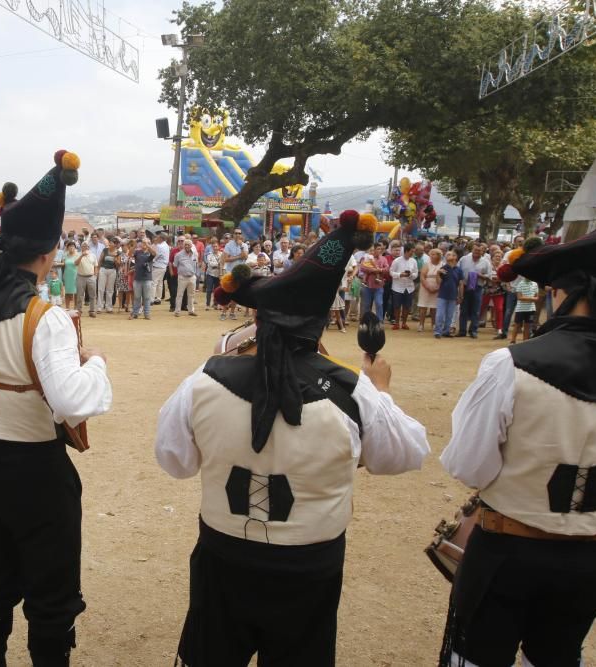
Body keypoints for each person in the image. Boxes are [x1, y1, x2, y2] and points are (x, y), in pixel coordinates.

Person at [157, 210, 429, 667]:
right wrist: (382, 393)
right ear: (319, 324)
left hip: (224, 557)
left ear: (257, 322)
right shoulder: (351, 391)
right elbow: (404, 454)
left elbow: (174, 461)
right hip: (311, 566)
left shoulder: (204, 380)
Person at [0, 151, 113, 666]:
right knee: (50, 595)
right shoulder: (45, 318)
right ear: (49, 252)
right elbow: (73, 400)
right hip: (36, 473)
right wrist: (95, 363)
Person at [438, 230, 596, 666]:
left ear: (564, 293)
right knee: (559, 654)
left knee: (478, 656)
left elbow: (469, 466)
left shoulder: (511, 364)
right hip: (591, 557)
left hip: (508, 552)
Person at [458, 244, 493, 339]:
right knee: (463, 309)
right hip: (465, 286)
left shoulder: (486, 262)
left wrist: (481, 275)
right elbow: (458, 272)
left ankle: (473, 331)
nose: (477, 252)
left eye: (479, 251)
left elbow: (489, 276)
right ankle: (462, 331)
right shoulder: (464, 259)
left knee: (476, 310)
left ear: (482, 251)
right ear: (472, 250)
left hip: (478, 287)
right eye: (475, 250)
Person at [434, 250, 464, 339]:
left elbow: (461, 284)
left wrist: (460, 296)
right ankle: (438, 331)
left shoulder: (459, 270)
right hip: (442, 295)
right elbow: (439, 282)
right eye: (448, 255)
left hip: (453, 295)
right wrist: (438, 273)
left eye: (453, 254)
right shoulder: (443, 268)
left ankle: (446, 331)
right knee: (440, 314)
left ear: (456, 258)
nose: (450, 256)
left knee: (450, 315)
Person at [389, 243, 419, 330]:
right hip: (397, 287)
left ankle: (404, 323)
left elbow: (416, 273)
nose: (412, 253)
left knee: (407, 306)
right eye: (411, 251)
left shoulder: (413, 261)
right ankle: (397, 323)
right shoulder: (397, 261)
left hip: (409, 286)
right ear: (406, 251)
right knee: (397, 306)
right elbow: (391, 272)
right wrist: (400, 274)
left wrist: (410, 275)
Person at [359, 241, 390, 321]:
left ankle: (380, 321)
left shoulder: (384, 259)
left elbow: (387, 269)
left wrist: (380, 270)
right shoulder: (366, 258)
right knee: (366, 305)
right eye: (378, 249)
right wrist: (374, 270)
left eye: (381, 249)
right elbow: (362, 267)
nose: (380, 250)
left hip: (379, 286)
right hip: (367, 285)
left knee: (379, 303)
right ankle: (365, 321)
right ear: (374, 250)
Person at [418, 248, 443, 333]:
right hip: (426, 287)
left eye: (434, 254)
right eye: (431, 254)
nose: (431, 256)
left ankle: (434, 324)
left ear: (439, 256)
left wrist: (438, 287)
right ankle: (421, 325)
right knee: (423, 306)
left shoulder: (443, 265)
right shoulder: (426, 264)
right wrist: (427, 287)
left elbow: (444, 278)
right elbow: (422, 276)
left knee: (434, 307)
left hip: (438, 287)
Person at [482, 249, 506, 339]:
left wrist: (500, 279)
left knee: (499, 309)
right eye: (496, 256)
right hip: (487, 289)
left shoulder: (503, 267)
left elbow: (506, 278)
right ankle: (475, 324)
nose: (498, 258)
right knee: (481, 307)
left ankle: (499, 328)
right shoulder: (488, 265)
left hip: (499, 291)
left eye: (500, 256)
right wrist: (488, 278)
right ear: (492, 258)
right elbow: (482, 274)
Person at [509, 270, 538, 344]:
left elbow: (537, 298)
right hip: (520, 309)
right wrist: (531, 298)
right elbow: (519, 297)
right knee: (517, 325)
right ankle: (513, 340)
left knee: (527, 325)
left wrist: (526, 298)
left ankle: (525, 341)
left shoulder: (535, 284)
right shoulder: (520, 284)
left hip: (531, 309)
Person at [173, 238, 199, 317]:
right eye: (185, 245)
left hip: (192, 277)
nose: (187, 246)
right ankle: (177, 311)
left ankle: (191, 311)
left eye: (188, 245)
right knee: (179, 294)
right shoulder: (178, 255)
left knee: (191, 295)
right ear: (183, 246)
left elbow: (196, 264)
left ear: (191, 245)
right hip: (182, 277)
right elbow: (175, 265)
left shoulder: (195, 254)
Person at [132, 234, 156, 320]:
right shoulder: (137, 252)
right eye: (143, 243)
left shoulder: (150, 253)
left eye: (146, 243)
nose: (144, 244)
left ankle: (147, 314)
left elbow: (154, 253)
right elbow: (130, 253)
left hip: (147, 278)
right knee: (137, 297)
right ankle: (135, 313)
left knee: (147, 297)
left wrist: (148, 245)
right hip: (137, 278)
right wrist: (135, 245)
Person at [74, 241, 98, 318]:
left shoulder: (93, 255)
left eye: (86, 246)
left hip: (91, 277)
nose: (85, 247)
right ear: (81, 247)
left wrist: (95, 275)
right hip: (81, 276)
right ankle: (79, 310)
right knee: (80, 295)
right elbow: (75, 263)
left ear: (88, 247)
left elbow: (96, 266)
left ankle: (92, 310)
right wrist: (81, 256)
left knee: (92, 295)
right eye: (83, 245)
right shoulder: (77, 254)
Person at [96, 237, 117, 314]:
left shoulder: (117, 252)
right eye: (110, 242)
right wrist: (98, 270)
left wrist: (115, 257)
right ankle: (99, 307)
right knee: (101, 288)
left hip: (112, 270)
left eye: (112, 243)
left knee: (110, 289)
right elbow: (100, 260)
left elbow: (118, 264)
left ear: (115, 244)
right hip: (103, 269)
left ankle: (109, 307)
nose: (110, 244)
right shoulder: (105, 250)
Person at [151, 233, 170, 305]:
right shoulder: (166, 245)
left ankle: (151, 299)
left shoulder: (159, 246)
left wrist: (151, 261)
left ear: (161, 239)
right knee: (160, 283)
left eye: (158, 238)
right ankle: (158, 298)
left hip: (157, 266)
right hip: (163, 266)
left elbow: (156, 255)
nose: (156, 239)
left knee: (154, 283)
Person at [203, 240, 222, 312]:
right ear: (212, 247)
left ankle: (216, 304)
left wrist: (217, 265)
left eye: (216, 246)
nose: (215, 247)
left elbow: (223, 263)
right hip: (210, 274)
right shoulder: (209, 255)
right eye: (213, 246)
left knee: (217, 290)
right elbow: (210, 264)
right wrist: (218, 265)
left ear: (218, 247)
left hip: (218, 275)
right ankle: (207, 305)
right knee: (209, 290)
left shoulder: (221, 254)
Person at [62, 241, 78, 309]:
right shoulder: (65, 255)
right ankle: (67, 307)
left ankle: (76, 307)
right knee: (67, 292)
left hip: (76, 275)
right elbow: (63, 264)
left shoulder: (78, 255)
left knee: (76, 292)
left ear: (75, 247)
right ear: (67, 248)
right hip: (67, 275)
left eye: (73, 246)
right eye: (69, 246)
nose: (71, 247)